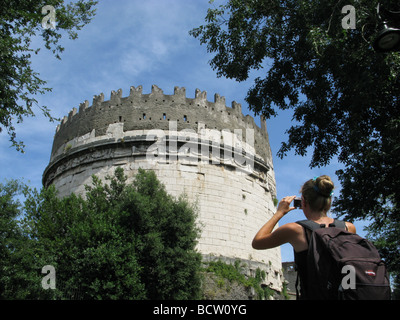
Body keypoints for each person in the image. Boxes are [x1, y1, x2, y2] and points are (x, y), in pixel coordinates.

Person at [252, 175, 356, 298]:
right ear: (328, 202)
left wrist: (279, 213)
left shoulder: (296, 230)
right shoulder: (348, 227)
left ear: (304, 202)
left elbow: (257, 242)